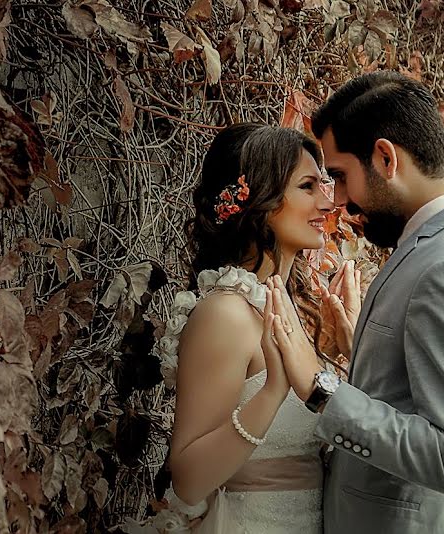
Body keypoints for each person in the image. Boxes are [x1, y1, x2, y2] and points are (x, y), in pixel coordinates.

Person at [266, 70, 444, 533]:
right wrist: (358, 347)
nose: (341, 202)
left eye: (342, 176)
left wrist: (321, 388)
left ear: (386, 157)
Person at [145, 123, 358, 533]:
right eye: (308, 186)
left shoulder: (288, 309)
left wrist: (355, 351)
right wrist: (272, 391)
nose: (327, 203)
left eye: (325, 184)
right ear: (261, 199)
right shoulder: (225, 314)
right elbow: (188, 481)